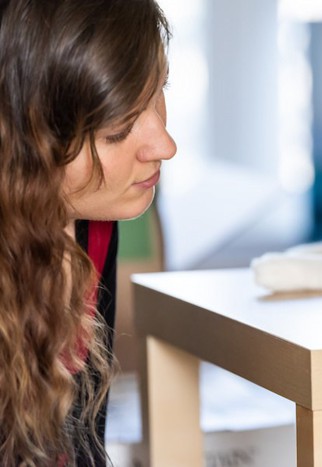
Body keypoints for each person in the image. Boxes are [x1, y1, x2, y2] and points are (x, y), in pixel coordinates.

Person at [0, 0, 176, 465]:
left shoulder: (94, 220)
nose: (166, 145)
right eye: (119, 130)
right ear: (24, 142)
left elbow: (78, 446)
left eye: (160, 91)